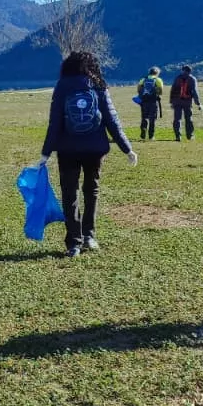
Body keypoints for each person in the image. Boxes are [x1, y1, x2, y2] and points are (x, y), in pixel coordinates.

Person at [38, 52, 137, 257]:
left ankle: (73, 242)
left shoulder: (62, 86)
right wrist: (127, 148)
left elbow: (55, 123)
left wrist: (45, 153)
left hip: (67, 149)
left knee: (70, 193)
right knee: (92, 191)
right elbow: (112, 120)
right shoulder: (98, 84)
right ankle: (89, 236)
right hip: (95, 148)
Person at [171, 64, 201, 141]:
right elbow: (195, 91)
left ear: (182, 70)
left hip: (177, 101)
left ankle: (178, 136)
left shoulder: (178, 78)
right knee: (188, 118)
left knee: (177, 119)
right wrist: (198, 103)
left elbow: (173, 89)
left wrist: (172, 101)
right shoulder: (192, 79)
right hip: (187, 101)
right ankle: (190, 136)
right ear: (190, 71)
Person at [136, 67, 164, 141]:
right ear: (157, 73)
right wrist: (157, 94)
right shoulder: (158, 80)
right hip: (153, 102)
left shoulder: (143, 79)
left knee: (144, 118)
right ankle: (151, 136)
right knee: (152, 119)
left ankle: (143, 135)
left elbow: (138, 89)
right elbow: (161, 91)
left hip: (144, 102)